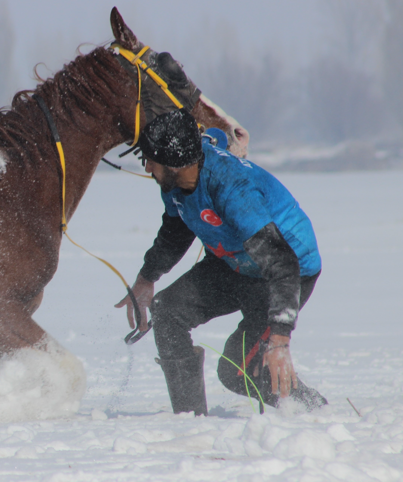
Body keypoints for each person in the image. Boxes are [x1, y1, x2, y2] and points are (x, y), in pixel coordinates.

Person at [115, 108, 327, 415]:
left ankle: (312, 411)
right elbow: (175, 231)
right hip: (234, 264)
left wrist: (279, 338)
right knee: (168, 311)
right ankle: (189, 420)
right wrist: (146, 278)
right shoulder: (173, 184)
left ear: (176, 161)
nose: (147, 167)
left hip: (284, 273)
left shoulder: (231, 188)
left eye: (151, 159)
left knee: (236, 372)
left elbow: (282, 263)